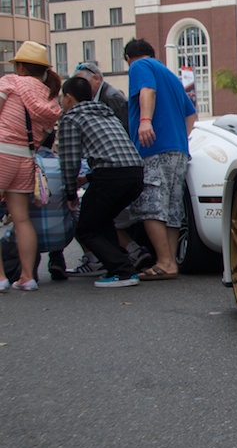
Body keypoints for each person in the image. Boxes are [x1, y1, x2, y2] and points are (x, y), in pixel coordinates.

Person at [58, 76, 146, 287]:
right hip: (135, 174)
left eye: (62, 97)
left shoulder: (71, 119)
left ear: (68, 97)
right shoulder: (107, 114)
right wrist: (88, 178)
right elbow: (115, 154)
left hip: (110, 178)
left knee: (86, 228)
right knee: (103, 221)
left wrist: (70, 193)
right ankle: (118, 268)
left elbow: (69, 161)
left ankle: (123, 271)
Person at [123, 38, 196, 281]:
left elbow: (148, 90)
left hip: (153, 146)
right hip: (179, 149)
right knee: (172, 207)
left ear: (128, 59)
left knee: (151, 205)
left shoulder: (139, 66)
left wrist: (145, 121)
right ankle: (170, 261)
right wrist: (179, 138)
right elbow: (191, 114)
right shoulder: (171, 76)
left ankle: (164, 261)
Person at [0, 41, 63, 292]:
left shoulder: (10, 82)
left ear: (21, 67)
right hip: (26, 160)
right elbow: (45, 135)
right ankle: (27, 277)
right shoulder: (50, 98)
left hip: (1, 151)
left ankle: (1, 277)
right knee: (22, 219)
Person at [1, 135, 72, 283]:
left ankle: (18, 273)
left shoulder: (24, 163)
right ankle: (55, 259)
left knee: (20, 224)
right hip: (62, 237)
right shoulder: (61, 163)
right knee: (61, 212)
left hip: (26, 239)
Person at [73, 60, 129, 127]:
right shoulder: (98, 97)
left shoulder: (112, 97)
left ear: (96, 78)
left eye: (83, 82)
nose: (80, 86)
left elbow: (123, 126)